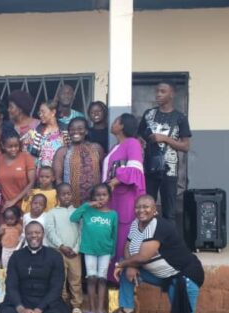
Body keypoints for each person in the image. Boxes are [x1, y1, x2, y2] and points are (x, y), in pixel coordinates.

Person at [113, 195, 204, 313]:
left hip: (183, 278)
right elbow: (128, 247)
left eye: (146, 207)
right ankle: (127, 310)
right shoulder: (135, 225)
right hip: (164, 276)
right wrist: (129, 265)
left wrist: (124, 264)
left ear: (155, 210)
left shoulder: (159, 226)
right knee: (125, 267)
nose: (141, 210)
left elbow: (144, 256)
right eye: (138, 207)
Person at [139, 81, 192, 221]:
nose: (158, 94)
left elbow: (185, 146)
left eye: (163, 91)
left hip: (169, 170)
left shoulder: (180, 117)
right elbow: (138, 137)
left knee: (169, 212)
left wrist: (165, 139)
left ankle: (168, 235)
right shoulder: (148, 114)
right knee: (146, 208)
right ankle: (148, 235)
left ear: (172, 94)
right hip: (149, 168)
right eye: (157, 91)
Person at [103, 113, 146, 284]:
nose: (112, 123)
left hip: (125, 199)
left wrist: (117, 179)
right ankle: (112, 283)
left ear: (121, 126)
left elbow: (135, 169)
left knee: (123, 238)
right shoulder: (116, 146)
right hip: (113, 199)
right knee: (113, 238)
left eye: (115, 121)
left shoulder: (132, 143)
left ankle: (123, 283)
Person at [71, 184, 118, 313]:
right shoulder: (88, 210)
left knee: (102, 279)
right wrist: (87, 205)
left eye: (104, 195)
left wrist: (112, 254)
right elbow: (73, 217)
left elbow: (114, 235)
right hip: (89, 250)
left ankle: (100, 311)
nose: (101, 198)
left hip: (105, 251)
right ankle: (91, 310)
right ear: (93, 197)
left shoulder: (113, 214)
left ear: (109, 197)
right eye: (98, 195)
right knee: (91, 278)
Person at [45, 183, 82, 313]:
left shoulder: (78, 212)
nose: (66, 196)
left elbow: (82, 232)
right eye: (63, 194)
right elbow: (50, 231)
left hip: (74, 253)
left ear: (72, 195)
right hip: (58, 252)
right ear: (58, 197)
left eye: (69, 194)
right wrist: (61, 246)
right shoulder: (52, 213)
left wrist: (76, 249)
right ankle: (61, 302)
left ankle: (76, 305)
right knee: (60, 278)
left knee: (76, 278)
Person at [52, 117, 104, 207]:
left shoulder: (97, 148)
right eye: (72, 129)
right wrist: (65, 199)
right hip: (72, 203)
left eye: (80, 129)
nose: (76, 132)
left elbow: (103, 173)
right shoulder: (62, 151)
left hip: (95, 202)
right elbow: (58, 179)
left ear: (86, 131)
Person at [0, 130, 36, 211]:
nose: (13, 149)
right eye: (10, 147)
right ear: (3, 145)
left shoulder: (26, 157)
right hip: (4, 206)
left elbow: (32, 182)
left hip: (24, 205)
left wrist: (14, 201)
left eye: (16, 146)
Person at [29, 100, 67, 170]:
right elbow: (32, 156)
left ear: (53, 112)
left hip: (60, 171)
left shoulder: (65, 131)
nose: (40, 115)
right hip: (42, 173)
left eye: (43, 112)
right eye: (39, 112)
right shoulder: (37, 132)